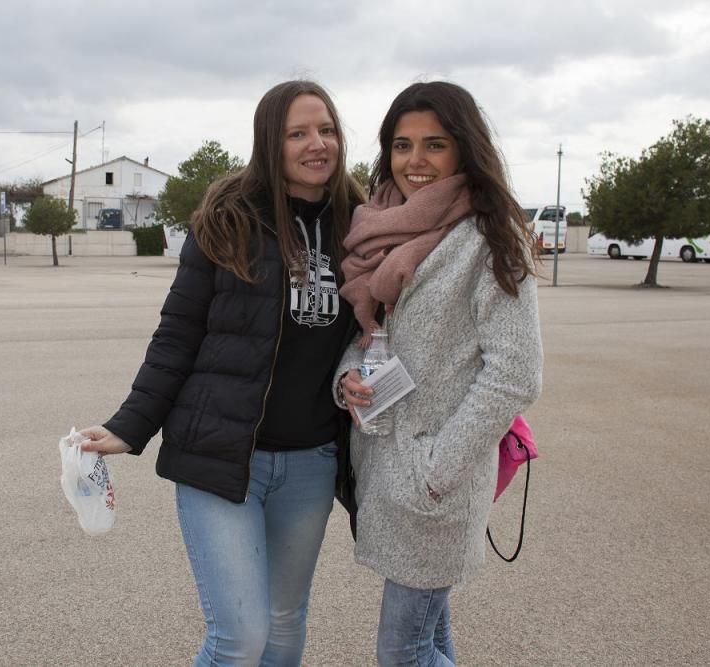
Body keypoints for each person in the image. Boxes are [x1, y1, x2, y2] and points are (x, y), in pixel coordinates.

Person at [79, 80, 365, 667]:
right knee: (239, 637)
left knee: (285, 626)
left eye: (328, 129)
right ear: (270, 142)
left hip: (312, 460)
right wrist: (131, 425)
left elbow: (372, 334)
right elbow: (178, 334)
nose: (318, 144)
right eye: (298, 133)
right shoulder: (228, 219)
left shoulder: (360, 223)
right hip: (222, 453)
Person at [334, 81, 543, 666]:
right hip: (383, 465)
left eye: (434, 144)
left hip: (433, 485)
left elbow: (516, 373)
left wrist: (437, 470)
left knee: (402, 653)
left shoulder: (489, 237)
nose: (415, 161)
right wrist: (348, 377)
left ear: (464, 149)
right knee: (430, 640)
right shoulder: (378, 228)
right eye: (402, 146)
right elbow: (370, 336)